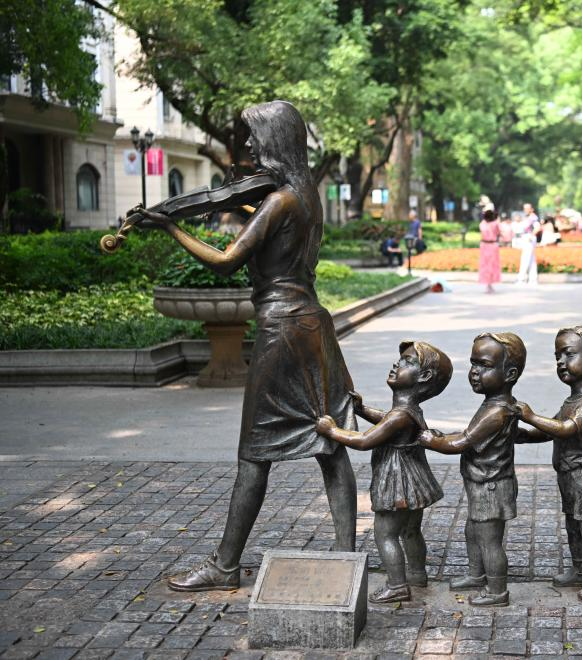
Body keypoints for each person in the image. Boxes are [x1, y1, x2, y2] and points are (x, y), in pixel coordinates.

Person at [131, 101, 359, 592]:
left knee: (254, 454)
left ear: (275, 140)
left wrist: (171, 225)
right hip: (313, 325)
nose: (250, 145)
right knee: (330, 444)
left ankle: (225, 564)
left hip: (281, 329)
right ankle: (347, 556)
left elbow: (226, 260)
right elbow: (270, 231)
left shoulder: (279, 201)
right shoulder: (305, 195)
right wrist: (236, 206)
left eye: (255, 136)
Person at [315, 341, 451, 604]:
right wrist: (362, 409)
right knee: (411, 530)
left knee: (385, 534)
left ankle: (397, 585)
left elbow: (365, 440)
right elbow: (386, 419)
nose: (397, 364)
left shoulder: (400, 415)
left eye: (408, 361)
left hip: (397, 480)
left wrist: (331, 431)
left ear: (424, 376)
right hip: (414, 479)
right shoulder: (407, 410)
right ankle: (417, 574)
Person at [515, 326, 582, 603]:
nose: (561, 362)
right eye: (557, 356)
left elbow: (564, 429)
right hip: (571, 475)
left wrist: (530, 416)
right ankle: (580, 570)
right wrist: (524, 435)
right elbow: (551, 429)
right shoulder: (573, 400)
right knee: (574, 525)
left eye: (568, 354)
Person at [419, 332, 526, 607]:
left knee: (489, 541)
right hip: (481, 484)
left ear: (510, 374)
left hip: (491, 485)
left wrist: (433, 441)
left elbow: (463, 442)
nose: (475, 372)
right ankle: (477, 574)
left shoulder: (496, 412)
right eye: (473, 363)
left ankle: (497, 591)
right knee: (473, 532)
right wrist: (446, 436)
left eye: (484, 365)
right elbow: (472, 435)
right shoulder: (496, 404)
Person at [479, 208, 502, 294]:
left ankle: (488, 284)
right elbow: (498, 232)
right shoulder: (495, 223)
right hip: (492, 245)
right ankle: (489, 284)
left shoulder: (482, 224)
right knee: (491, 265)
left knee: (486, 264)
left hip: (485, 245)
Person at [516, 203, 540, 284]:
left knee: (525, 258)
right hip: (526, 237)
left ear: (531, 209)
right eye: (524, 208)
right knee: (531, 260)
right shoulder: (528, 217)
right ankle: (533, 279)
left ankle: (521, 278)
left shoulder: (533, 218)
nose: (525, 210)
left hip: (529, 238)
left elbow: (537, 228)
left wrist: (531, 235)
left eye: (527, 208)